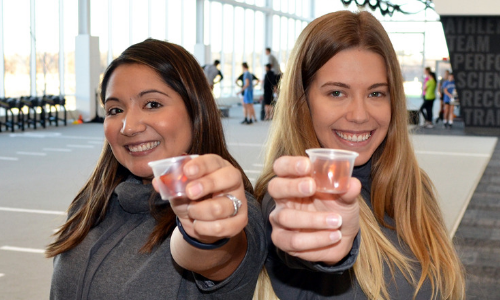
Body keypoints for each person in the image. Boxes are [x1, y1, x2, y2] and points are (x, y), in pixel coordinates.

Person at [254, 11, 465, 300]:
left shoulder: (413, 185)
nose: (359, 115)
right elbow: (301, 243)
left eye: (376, 94)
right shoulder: (292, 197)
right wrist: (329, 247)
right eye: (337, 93)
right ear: (302, 101)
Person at [46, 39, 266, 299]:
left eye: (152, 104)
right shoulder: (93, 201)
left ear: (195, 109)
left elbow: (216, 251)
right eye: (115, 109)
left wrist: (203, 233)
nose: (129, 126)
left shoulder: (230, 207)